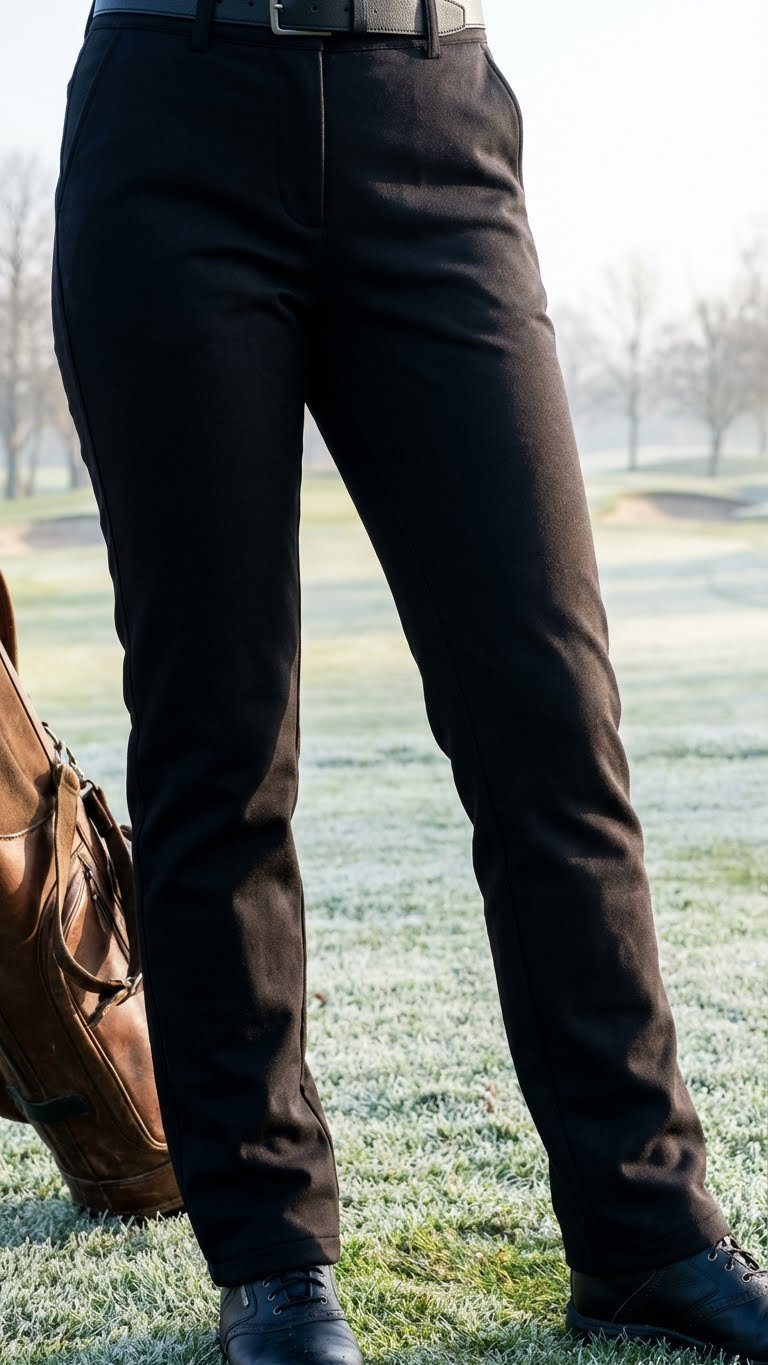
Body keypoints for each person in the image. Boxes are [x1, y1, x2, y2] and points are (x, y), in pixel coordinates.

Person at [51, 1, 767, 1362]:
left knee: (552, 715)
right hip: (172, 110)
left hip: (429, 113)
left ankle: (648, 1227)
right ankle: (270, 1254)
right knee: (221, 733)